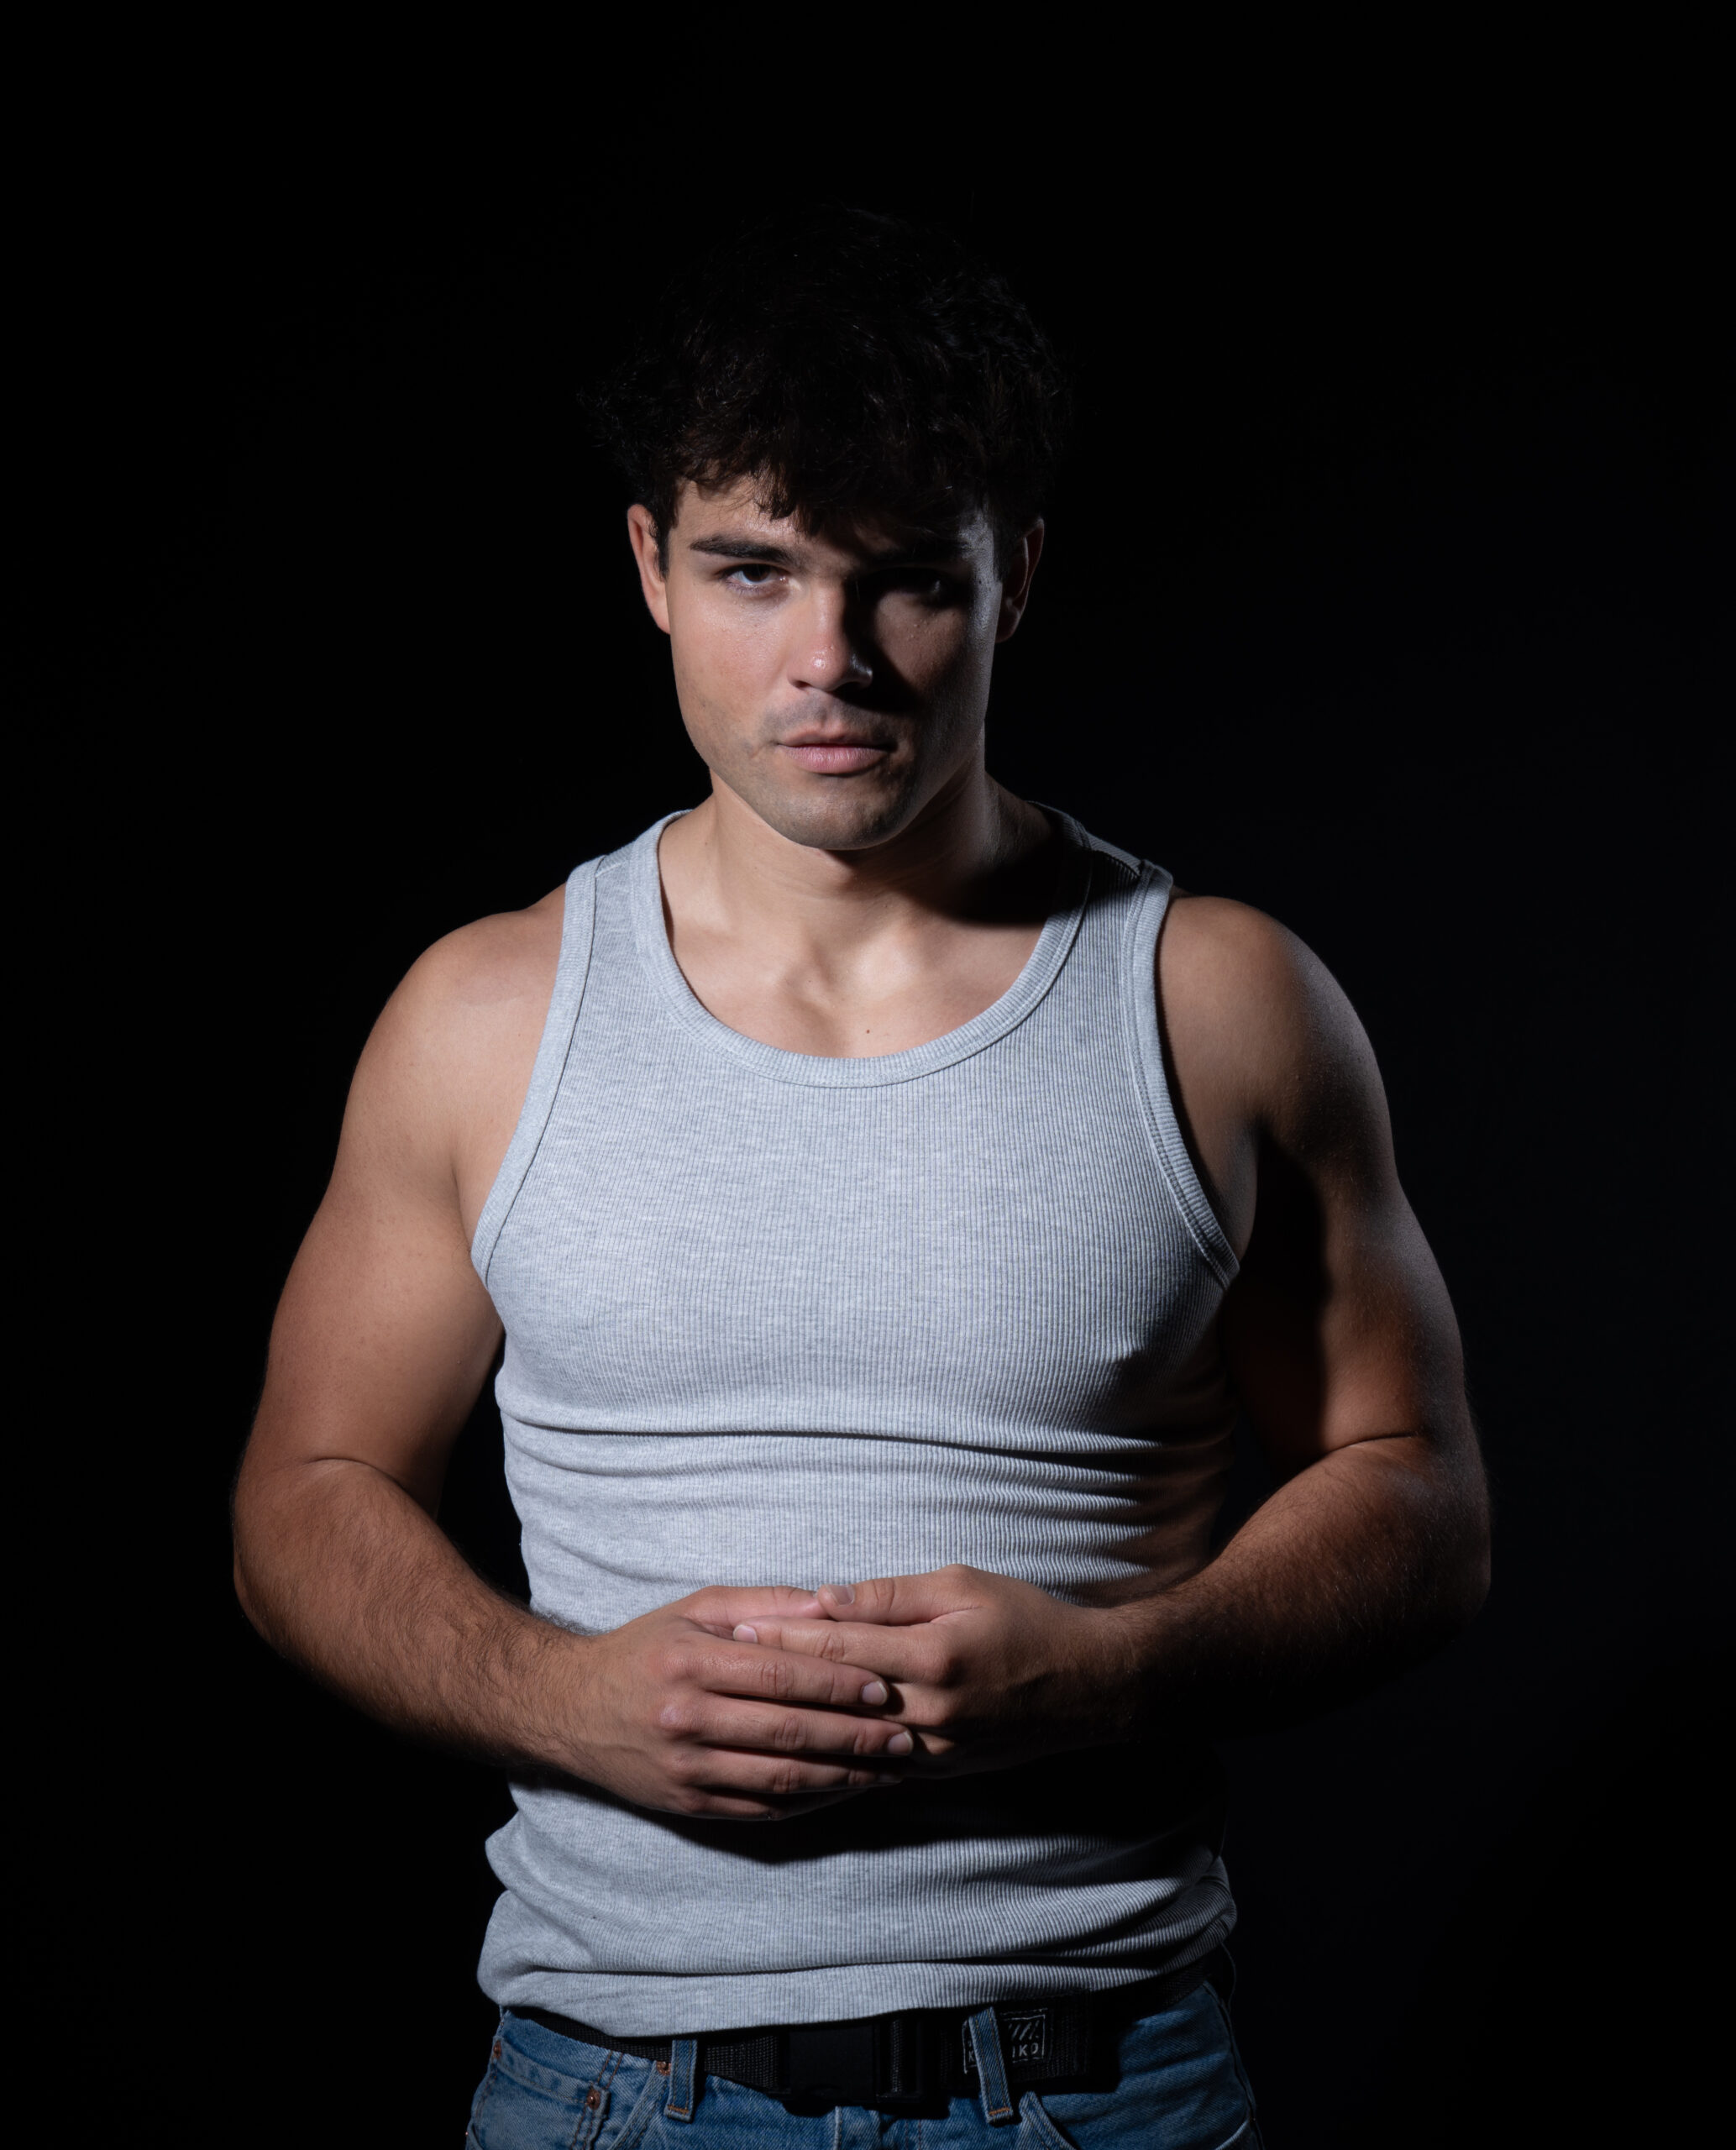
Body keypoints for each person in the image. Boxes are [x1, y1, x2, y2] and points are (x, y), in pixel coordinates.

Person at [232, 207, 1489, 2147]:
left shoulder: (1216, 1000)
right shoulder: (485, 1014)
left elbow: (1419, 1496)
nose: (826, 662)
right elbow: (301, 1501)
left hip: (1094, 2084)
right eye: (753, 572)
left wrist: (1114, 1670)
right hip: (616, 2089)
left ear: (1013, 577)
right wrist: (560, 1697)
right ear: (650, 567)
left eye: (903, 580)